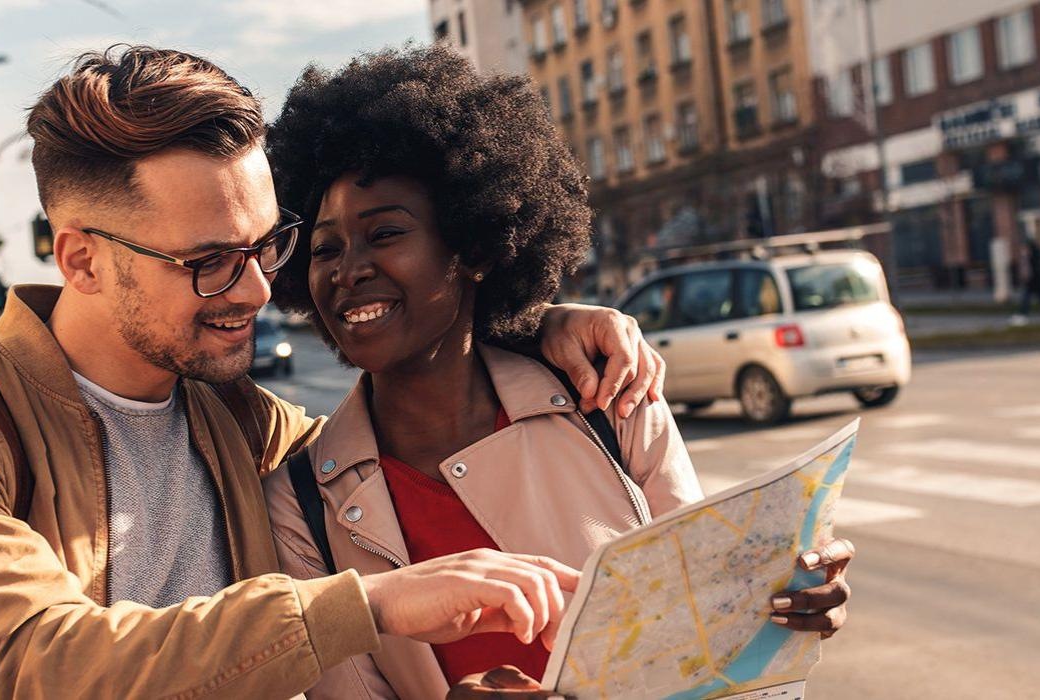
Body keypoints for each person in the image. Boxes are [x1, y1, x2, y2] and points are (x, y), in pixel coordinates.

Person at [0, 45, 671, 698]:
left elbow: (408, 417)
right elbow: (33, 664)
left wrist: (529, 327)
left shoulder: (244, 422)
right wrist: (368, 606)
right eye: (208, 261)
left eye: (266, 244)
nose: (256, 289)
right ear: (82, 261)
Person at [261, 46, 855, 698]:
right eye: (325, 249)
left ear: (476, 247)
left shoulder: (606, 393)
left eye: (384, 235)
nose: (348, 270)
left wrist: (779, 608)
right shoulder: (299, 499)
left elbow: (706, 632)